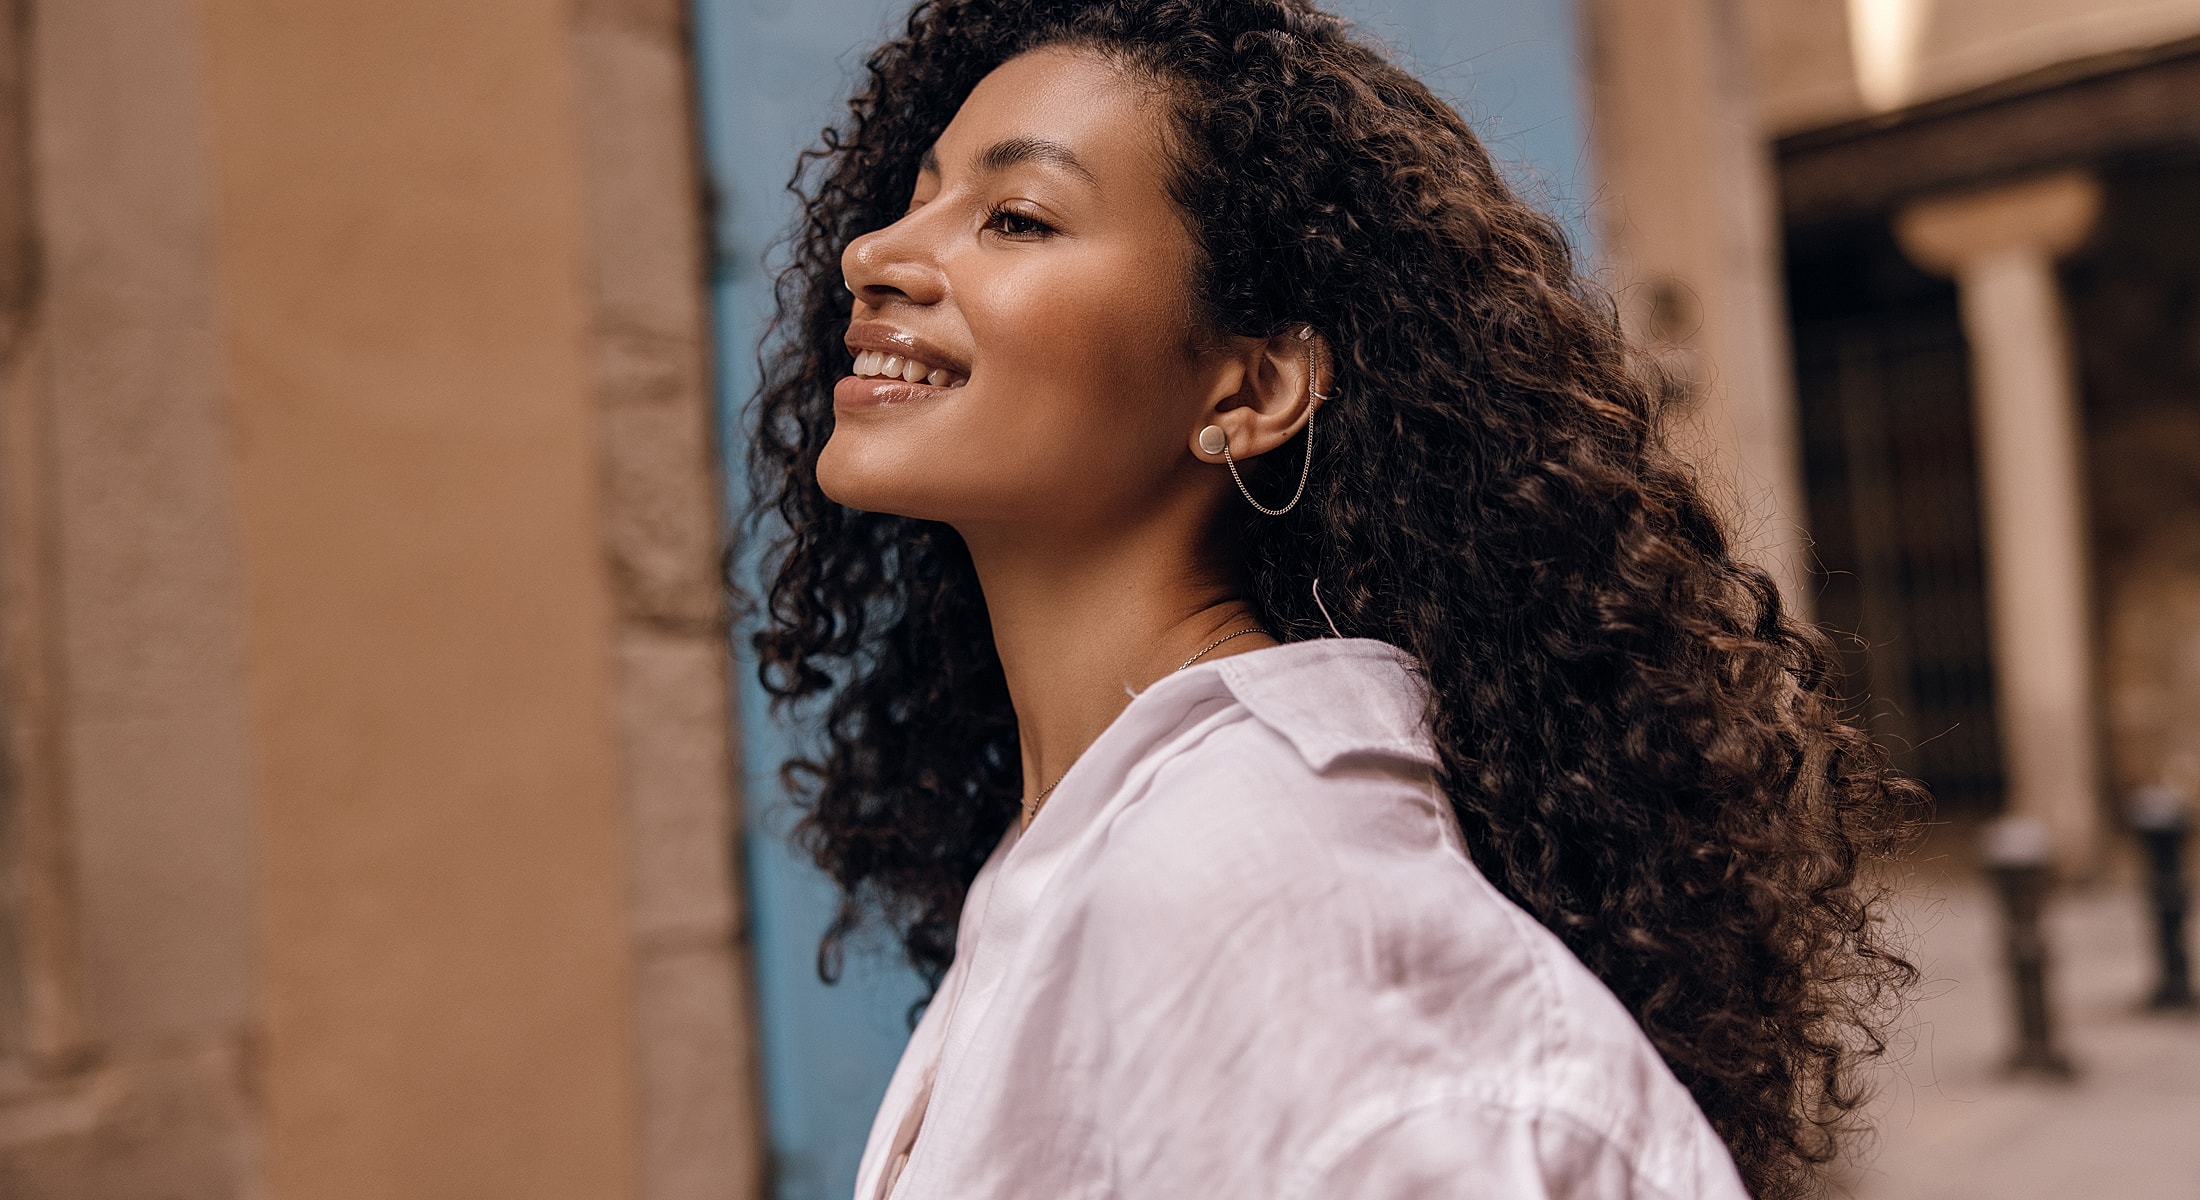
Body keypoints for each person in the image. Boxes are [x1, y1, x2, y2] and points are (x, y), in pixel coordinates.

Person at [744, 2, 1920, 1196]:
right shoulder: (1098, 836)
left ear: (1249, 390)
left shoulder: (1273, 897)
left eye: (1016, 217)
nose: (873, 253)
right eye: (920, 193)